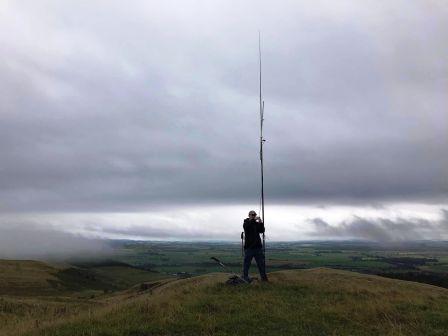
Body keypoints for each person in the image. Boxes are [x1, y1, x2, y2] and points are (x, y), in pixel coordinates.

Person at [242, 210, 268, 282]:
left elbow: (262, 231)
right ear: (249, 215)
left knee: (261, 264)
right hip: (249, 248)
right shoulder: (246, 222)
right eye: (252, 215)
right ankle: (244, 278)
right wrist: (253, 220)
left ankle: (264, 279)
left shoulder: (256, 224)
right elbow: (247, 227)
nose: (253, 216)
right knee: (246, 264)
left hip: (258, 248)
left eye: (254, 215)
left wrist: (260, 223)